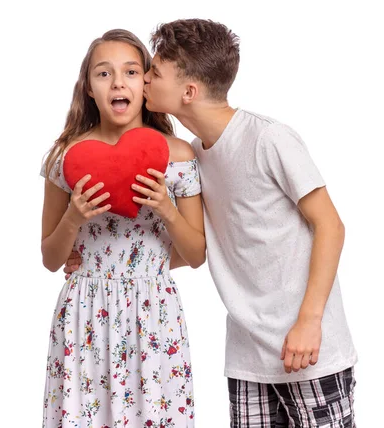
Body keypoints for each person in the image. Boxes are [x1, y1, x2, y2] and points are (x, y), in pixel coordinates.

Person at [68, 19, 358, 427]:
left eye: (153, 73)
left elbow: (331, 225)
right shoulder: (193, 156)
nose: (143, 80)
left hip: (309, 346)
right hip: (246, 355)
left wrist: (310, 322)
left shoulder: (269, 139)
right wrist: (104, 261)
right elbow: (197, 248)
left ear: (188, 91)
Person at [40, 29, 205, 427]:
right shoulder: (66, 157)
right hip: (84, 315)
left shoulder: (178, 154)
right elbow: (50, 258)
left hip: (154, 314)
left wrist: (167, 208)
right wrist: (74, 219)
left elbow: (197, 254)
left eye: (131, 71)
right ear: (88, 88)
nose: (118, 82)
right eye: (104, 73)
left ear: (145, 83)